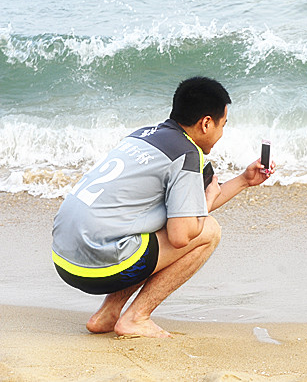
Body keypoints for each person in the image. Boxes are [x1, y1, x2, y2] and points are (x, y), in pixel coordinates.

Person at [51, 76, 276, 338]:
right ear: (206, 123)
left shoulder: (144, 135)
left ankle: (108, 314)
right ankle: (136, 317)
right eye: (222, 125)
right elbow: (183, 236)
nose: (222, 133)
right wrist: (207, 201)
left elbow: (185, 215)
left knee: (146, 229)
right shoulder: (186, 154)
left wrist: (244, 181)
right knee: (209, 232)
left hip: (64, 257)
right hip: (98, 266)